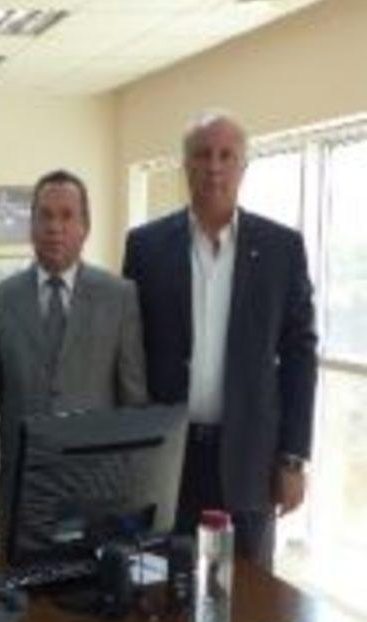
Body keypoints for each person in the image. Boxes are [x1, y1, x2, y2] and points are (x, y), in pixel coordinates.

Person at [123, 110, 317, 568]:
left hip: (249, 460)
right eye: (203, 155)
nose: (214, 167)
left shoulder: (281, 249)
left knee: (247, 590)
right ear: (185, 165)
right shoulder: (146, 246)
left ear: (243, 166)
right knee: (161, 583)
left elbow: (299, 357)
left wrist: (292, 459)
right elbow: (128, 350)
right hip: (167, 456)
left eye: (227, 156)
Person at [0, 170, 148, 548]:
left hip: (96, 493)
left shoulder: (119, 297)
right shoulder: (0, 302)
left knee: (88, 585)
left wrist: (140, 493)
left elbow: (134, 405)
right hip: (22, 494)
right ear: (30, 225)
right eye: (44, 216)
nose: (54, 228)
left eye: (66, 216)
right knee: (20, 585)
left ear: (85, 227)